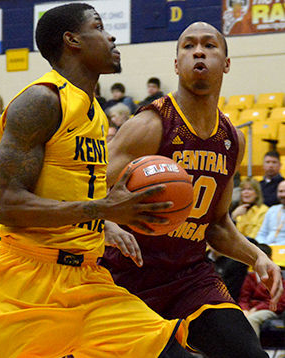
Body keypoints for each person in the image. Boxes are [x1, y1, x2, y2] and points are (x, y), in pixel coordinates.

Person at [0, 4, 192, 357]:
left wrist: (102, 223)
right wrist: (104, 209)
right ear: (72, 40)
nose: (111, 36)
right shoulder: (42, 100)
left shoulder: (94, 111)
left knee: (168, 350)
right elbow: (9, 206)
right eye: (99, 27)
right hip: (24, 281)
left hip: (87, 279)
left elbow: (68, 186)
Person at [100, 21, 283, 358]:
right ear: (176, 64)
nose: (198, 50)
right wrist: (107, 223)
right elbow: (87, 190)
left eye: (210, 45)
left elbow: (217, 226)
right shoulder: (150, 124)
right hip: (125, 279)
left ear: (226, 63)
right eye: (188, 46)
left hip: (189, 279)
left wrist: (256, 256)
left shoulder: (232, 138)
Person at [239, 243, 285, 337]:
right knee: (235, 317)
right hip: (251, 309)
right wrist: (245, 310)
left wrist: (256, 309)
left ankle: (252, 351)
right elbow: (243, 298)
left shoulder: (277, 276)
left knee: (252, 320)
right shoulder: (250, 276)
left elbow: (279, 303)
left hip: (270, 310)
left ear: (270, 259)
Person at [256, 180, 285, 245]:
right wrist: (264, 246)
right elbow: (261, 234)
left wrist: (275, 247)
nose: (283, 194)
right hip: (268, 249)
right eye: (280, 191)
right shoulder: (272, 210)